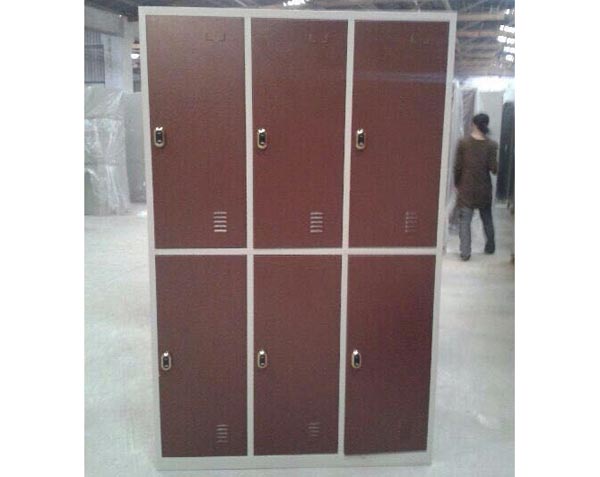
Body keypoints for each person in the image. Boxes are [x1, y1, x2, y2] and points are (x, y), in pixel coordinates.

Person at [453, 113, 498, 261]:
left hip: (466, 188)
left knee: (465, 221)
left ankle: (465, 253)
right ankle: (490, 247)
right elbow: (494, 169)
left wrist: (457, 183)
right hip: (484, 189)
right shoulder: (491, 145)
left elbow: (458, 167)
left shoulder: (463, 143)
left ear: (473, 125)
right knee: (487, 218)